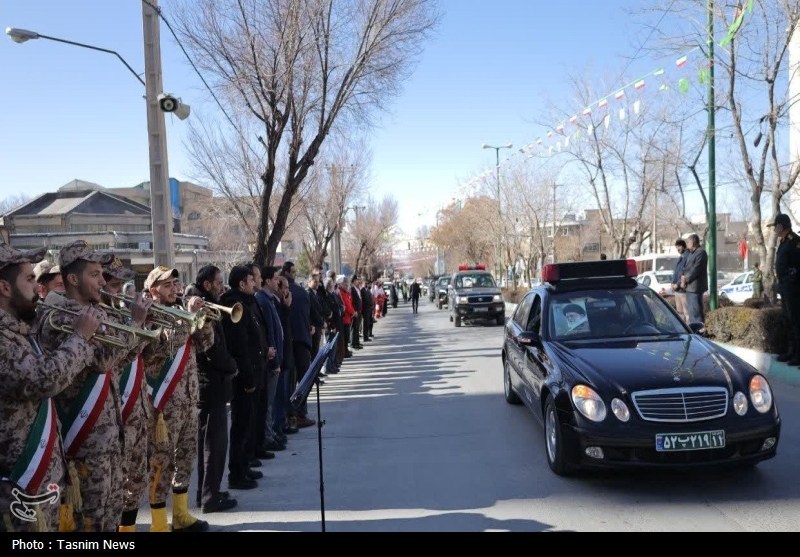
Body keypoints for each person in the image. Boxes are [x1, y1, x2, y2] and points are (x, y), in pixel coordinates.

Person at [36, 241, 150, 532]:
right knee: (89, 524)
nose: (102, 282)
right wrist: (135, 325)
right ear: (73, 279)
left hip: (107, 437)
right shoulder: (62, 315)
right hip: (83, 440)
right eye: (95, 274)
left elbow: (119, 363)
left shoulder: (93, 311)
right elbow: (102, 361)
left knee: (110, 518)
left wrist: (135, 330)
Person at [0, 244, 101, 532]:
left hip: (40, 472)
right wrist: (80, 337)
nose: (37, 287)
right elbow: (43, 380)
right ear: (5, 287)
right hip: (19, 478)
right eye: (29, 279)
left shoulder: (19, 330)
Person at [140, 265, 214, 532]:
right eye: (167, 285)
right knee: (161, 462)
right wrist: (190, 317)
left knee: (185, 457)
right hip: (164, 404)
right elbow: (168, 345)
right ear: (154, 290)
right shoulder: (150, 315)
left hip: (189, 399)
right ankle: (159, 522)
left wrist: (203, 320)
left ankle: (181, 514)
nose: (174, 288)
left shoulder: (181, 312)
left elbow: (206, 344)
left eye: (175, 283)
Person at [192, 265, 238, 514]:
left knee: (211, 444)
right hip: (210, 384)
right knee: (214, 445)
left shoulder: (207, 303)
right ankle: (210, 496)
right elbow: (211, 349)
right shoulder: (201, 307)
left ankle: (207, 492)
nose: (222, 287)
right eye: (219, 283)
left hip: (211, 383)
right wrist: (232, 365)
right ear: (207, 285)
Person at [219, 265, 268, 492]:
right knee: (240, 425)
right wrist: (248, 379)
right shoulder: (234, 305)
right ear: (241, 284)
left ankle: (245, 466)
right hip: (244, 377)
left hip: (255, 371)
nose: (254, 283)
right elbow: (240, 346)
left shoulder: (247, 302)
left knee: (249, 423)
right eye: (250, 280)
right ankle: (237, 473)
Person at [768, 214, 800, 365]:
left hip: (794, 289)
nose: (774, 229)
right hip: (786, 288)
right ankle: (791, 352)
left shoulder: (795, 242)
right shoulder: (784, 242)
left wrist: (791, 280)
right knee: (788, 321)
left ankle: (798, 355)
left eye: (775, 226)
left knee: (796, 321)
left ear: (780, 226)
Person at [681, 233, 708, 327]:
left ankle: (699, 329)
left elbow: (696, 269)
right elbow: (686, 268)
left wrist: (686, 279)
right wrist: (683, 278)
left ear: (693, 243)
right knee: (691, 312)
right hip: (690, 287)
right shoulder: (691, 253)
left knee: (696, 313)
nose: (687, 244)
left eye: (688, 242)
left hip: (695, 287)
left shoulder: (701, 253)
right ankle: (694, 328)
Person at [671, 239, 690, 323]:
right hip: (677, 290)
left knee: (687, 313)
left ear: (683, 246)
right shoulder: (680, 257)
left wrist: (677, 284)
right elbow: (676, 272)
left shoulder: (687, 256)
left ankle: (689, 329)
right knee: (680, 314)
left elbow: (684, 272)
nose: (677, 249)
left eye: (679, 246)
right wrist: (672, 283)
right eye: (676, 247)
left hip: (683, 290)